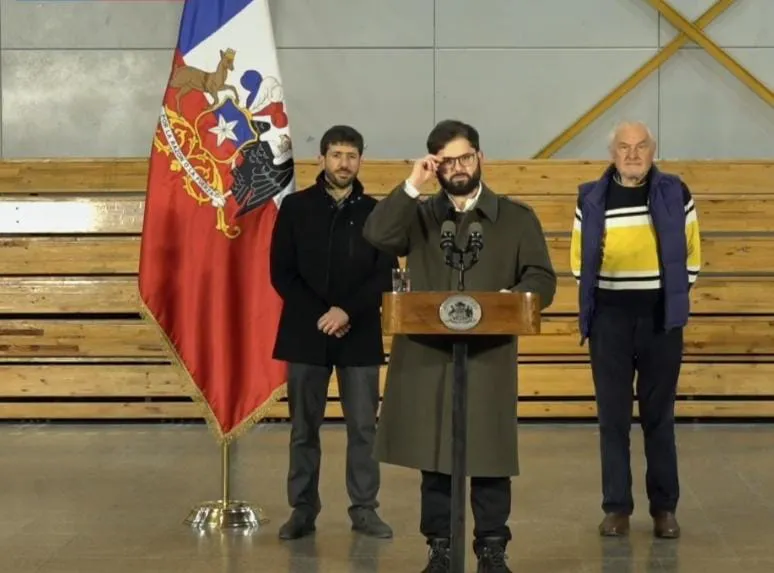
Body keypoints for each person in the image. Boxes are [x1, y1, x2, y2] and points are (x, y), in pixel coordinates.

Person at [363, 119, 557, 572]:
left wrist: (514, 301)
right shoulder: (421, 215)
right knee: (437, 457)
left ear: (480, 158)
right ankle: (441, 546)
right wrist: (412, 186)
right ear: (435, 165)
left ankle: (491, 546)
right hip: (431, 356)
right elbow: (377, 235)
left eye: (465, 157)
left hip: (488, 357)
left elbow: (541, 278)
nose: (457, 167)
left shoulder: (515, 217)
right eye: (446, 161)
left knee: (490, 455)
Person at [570, 120, 702, 539]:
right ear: (612, 153)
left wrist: (673, 297)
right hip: (610, 318)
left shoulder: (675, 192)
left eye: (640, 147)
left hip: (660, 318)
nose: (632, 154)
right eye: (624, 147)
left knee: (658, 417)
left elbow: (693, 254)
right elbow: (578, 260)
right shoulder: (591, 197)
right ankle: (617, 508)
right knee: (612, 418)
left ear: (652, 151)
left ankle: (664, 509)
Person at [269, 125, 396, 540]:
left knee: (364, 427)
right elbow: (281, 273)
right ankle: (302, 510)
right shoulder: (295, 208)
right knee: (304, 428)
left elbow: (384, 275)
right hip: (306, 333)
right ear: (321, 158)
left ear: (361, 160)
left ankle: (364, 509)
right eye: (337, 154)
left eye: (352, 156)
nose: (344, 163)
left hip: (358, 334)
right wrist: (323, 314)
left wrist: (346, 312)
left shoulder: (377, 212)